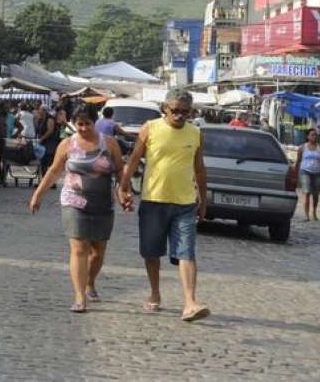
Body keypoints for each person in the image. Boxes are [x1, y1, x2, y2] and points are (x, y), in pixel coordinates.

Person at [119, 88, 210, 323]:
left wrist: (203, 198)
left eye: (185, 112)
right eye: (175, 111)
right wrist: (123, 186)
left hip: (185, 203)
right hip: (153, 201)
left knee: (186, 252)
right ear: (165, 110)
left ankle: (190, 302)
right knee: (151, 252)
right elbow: (134, 159)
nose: (180, 116)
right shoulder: (150, 128)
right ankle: (155, 293)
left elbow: (199, 168)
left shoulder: (195, 133)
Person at [29, 105, 124, 313]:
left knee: (98, 252)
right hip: (74, 201)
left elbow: (119, 171)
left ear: (95, 122)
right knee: (79, 248)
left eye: (87, 124)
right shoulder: (67, 144)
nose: (82, 128)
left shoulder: (109, 144)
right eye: (79, 124)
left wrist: (123, 193)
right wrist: (38, 194)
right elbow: (54, 171)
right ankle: (80, 296)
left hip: (103, 204)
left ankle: (90, 282)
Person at [296, 128, 320, 221]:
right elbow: (298, 161)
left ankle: (314, 211)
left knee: (316, 194)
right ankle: (306, 215)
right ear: (307, 136)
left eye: (315, 135)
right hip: (305, 172)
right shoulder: (302, 148)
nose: (314, 137)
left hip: (317, 173)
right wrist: (295, 174)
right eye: (312, 135)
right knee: (306, 192)